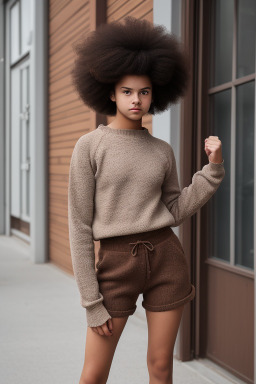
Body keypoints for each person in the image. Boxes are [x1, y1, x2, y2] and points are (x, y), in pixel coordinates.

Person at [68, 16, 225, 384]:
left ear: (156, 94)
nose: (136, 99)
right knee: (93, 374)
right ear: (110, 92)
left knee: (160, 367)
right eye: (126, 91)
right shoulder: (90, 146)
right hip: (116, 265)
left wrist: (212, 171)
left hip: (167, 260)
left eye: (144, 91)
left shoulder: (161, 150)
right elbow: (78, 225)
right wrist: (91, 302)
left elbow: (174, 210)